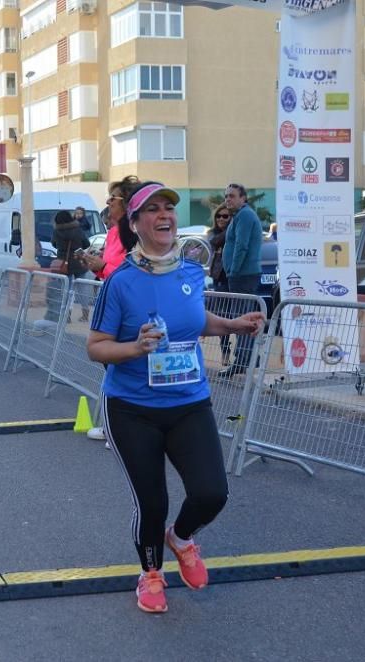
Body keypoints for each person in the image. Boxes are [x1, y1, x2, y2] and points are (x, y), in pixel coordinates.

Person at [86, 181, 263, 614]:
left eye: (169, 208)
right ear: (135, 223)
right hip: (132, 408)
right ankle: (150, 574)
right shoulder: (120, 282)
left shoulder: (188, 271)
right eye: (153, 210)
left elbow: (192, 319)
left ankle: (181, 540)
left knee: (212, 492)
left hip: (188, 402)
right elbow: (96, 346)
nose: (164, 215)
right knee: (153, 502)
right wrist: (134, 349)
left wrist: (231, 326)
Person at [79, 175, 139, 441]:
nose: (107, 203)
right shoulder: (114, 232)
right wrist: (99, 266)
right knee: (112, 367)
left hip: (131, 309)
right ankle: (115, 428)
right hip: (113, 305)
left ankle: (121, 431)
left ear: (125, 204)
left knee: (123, 368)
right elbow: (114, 270)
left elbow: (133, 270)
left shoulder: (133, 232)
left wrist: (103, 267)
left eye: (112, 198)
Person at [220, 183, 264, 378]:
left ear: (243, 198)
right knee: (245, 316)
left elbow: (241, 246)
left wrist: (233, 270)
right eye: (226, 196)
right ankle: (249, 358)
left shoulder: (245, 216)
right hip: (241, 275)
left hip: (242, 276)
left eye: (232, 196)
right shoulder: (240, 216)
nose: (227, 199)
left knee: (242, 319)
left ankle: (243, 360)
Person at [50, 210, 90, 321]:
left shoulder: (56, 231)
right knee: (83, 289)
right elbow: (87, 244)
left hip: (63, 264)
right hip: (79, 262)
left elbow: (54, 244)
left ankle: (67, 316)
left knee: (66, 290)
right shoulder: (78, 229)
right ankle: (85, 315)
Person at [207, 204, 233, 366]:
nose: (221, 219)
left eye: (225, 216)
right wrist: (231, 230)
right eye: (219, 216)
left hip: (234, 277)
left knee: (236, 315)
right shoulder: (214, 234)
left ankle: (243, 354)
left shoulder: (234, 232)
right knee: (223, 316)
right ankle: (225, 350)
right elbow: (213, 242)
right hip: (219, 279)